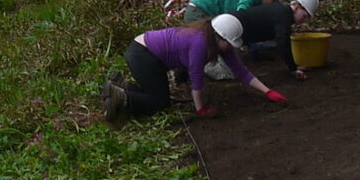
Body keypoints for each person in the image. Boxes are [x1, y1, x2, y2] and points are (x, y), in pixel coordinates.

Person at [106, 13, 292, 121]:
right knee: (160, 102)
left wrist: (267, 92)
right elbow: (196, 80)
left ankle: (123, 87)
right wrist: (200, 109)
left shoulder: (216, 41)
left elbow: (240, 70)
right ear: (220, 37)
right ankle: (123, 98)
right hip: (143, 55)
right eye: (230, 43)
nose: (232, 47)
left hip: (145, 53)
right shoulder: (200, 44)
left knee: (156, 94)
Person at [235, 0, 321, 79]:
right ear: (296, 7)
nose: (304, 20)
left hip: (236, 36)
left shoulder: (281, 11)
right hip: (229, 33)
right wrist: (293, 69)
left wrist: (294, 66)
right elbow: (283, 42)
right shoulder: (283, 16)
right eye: (304, 16)